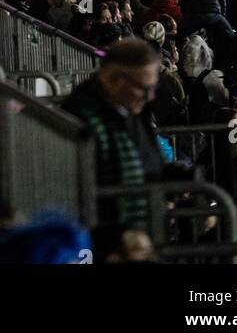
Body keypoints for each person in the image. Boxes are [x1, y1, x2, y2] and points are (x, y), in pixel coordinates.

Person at [62, 39, 164, 248]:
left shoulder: (133, 108)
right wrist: (117, 237)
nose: (150, 96)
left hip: (141, 234)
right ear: (118, 81)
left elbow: (146, 160)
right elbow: (81, 190)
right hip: (109, 243)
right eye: (144, 88)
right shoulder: (81, 116)